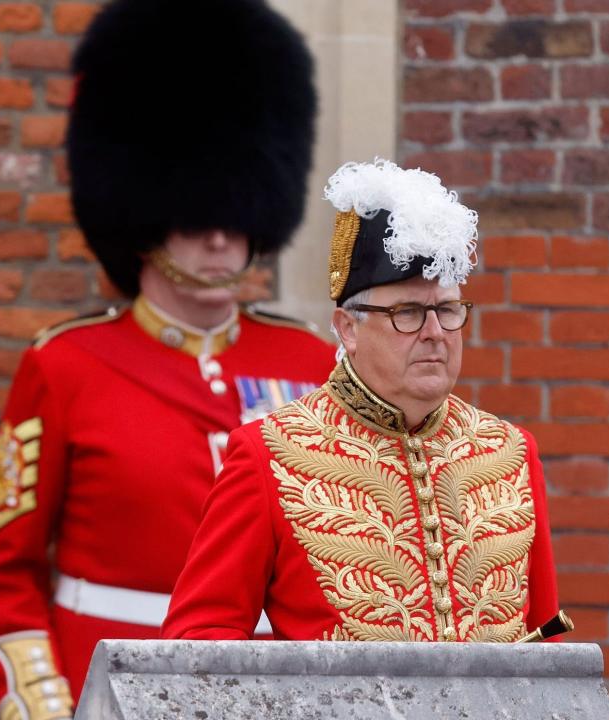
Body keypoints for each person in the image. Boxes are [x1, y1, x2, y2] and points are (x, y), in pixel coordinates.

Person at [0, 0, 335, 717]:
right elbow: (5, 579)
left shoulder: (311, 364)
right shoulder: (68, 367)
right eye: (199, 217)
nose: (224, 240)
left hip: (283, 692)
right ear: (143, 220)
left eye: (238, 217)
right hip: (115, 690)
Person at [161, 158, 559, 644]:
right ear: (348, 328)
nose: (435, 333)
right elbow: (202, 642)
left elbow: (545, 645)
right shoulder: (267, 455)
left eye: (449, 310)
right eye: (408, 312)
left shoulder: (511, 452)